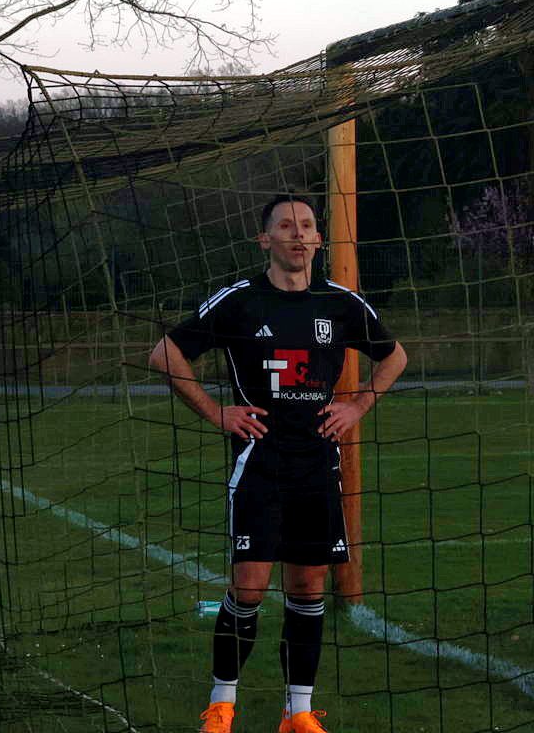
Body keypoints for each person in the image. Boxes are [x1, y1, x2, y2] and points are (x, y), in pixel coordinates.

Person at [149, 194, 408, 733]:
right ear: (264, 239)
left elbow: (395, 356)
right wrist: (217, 412)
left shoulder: (341, 303)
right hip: (260, 462)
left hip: (317, 464)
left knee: (308, 589)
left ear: (319, 239)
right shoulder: (240, 301)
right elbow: (165, 354)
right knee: (248, 588)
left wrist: (358, 405)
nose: (298, 234)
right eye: (286, 226)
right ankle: (222, 706)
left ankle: (299, 712)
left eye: (307, 225)